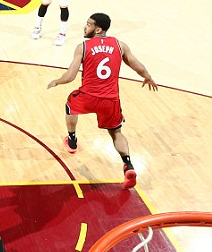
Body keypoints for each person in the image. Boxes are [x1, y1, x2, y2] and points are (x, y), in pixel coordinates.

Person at [47, 13, 158, 189]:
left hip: (88, 96)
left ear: (98, 29)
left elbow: (70, 76)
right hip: (111, 100)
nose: (85, 27)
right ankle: (127, 164)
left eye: (88, 24)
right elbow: (138, 66)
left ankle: (72, 140)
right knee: (116, 132)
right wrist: (148, 77)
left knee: (70, 105)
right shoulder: (120, 45)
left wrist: (57, 81)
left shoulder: (83, 46)